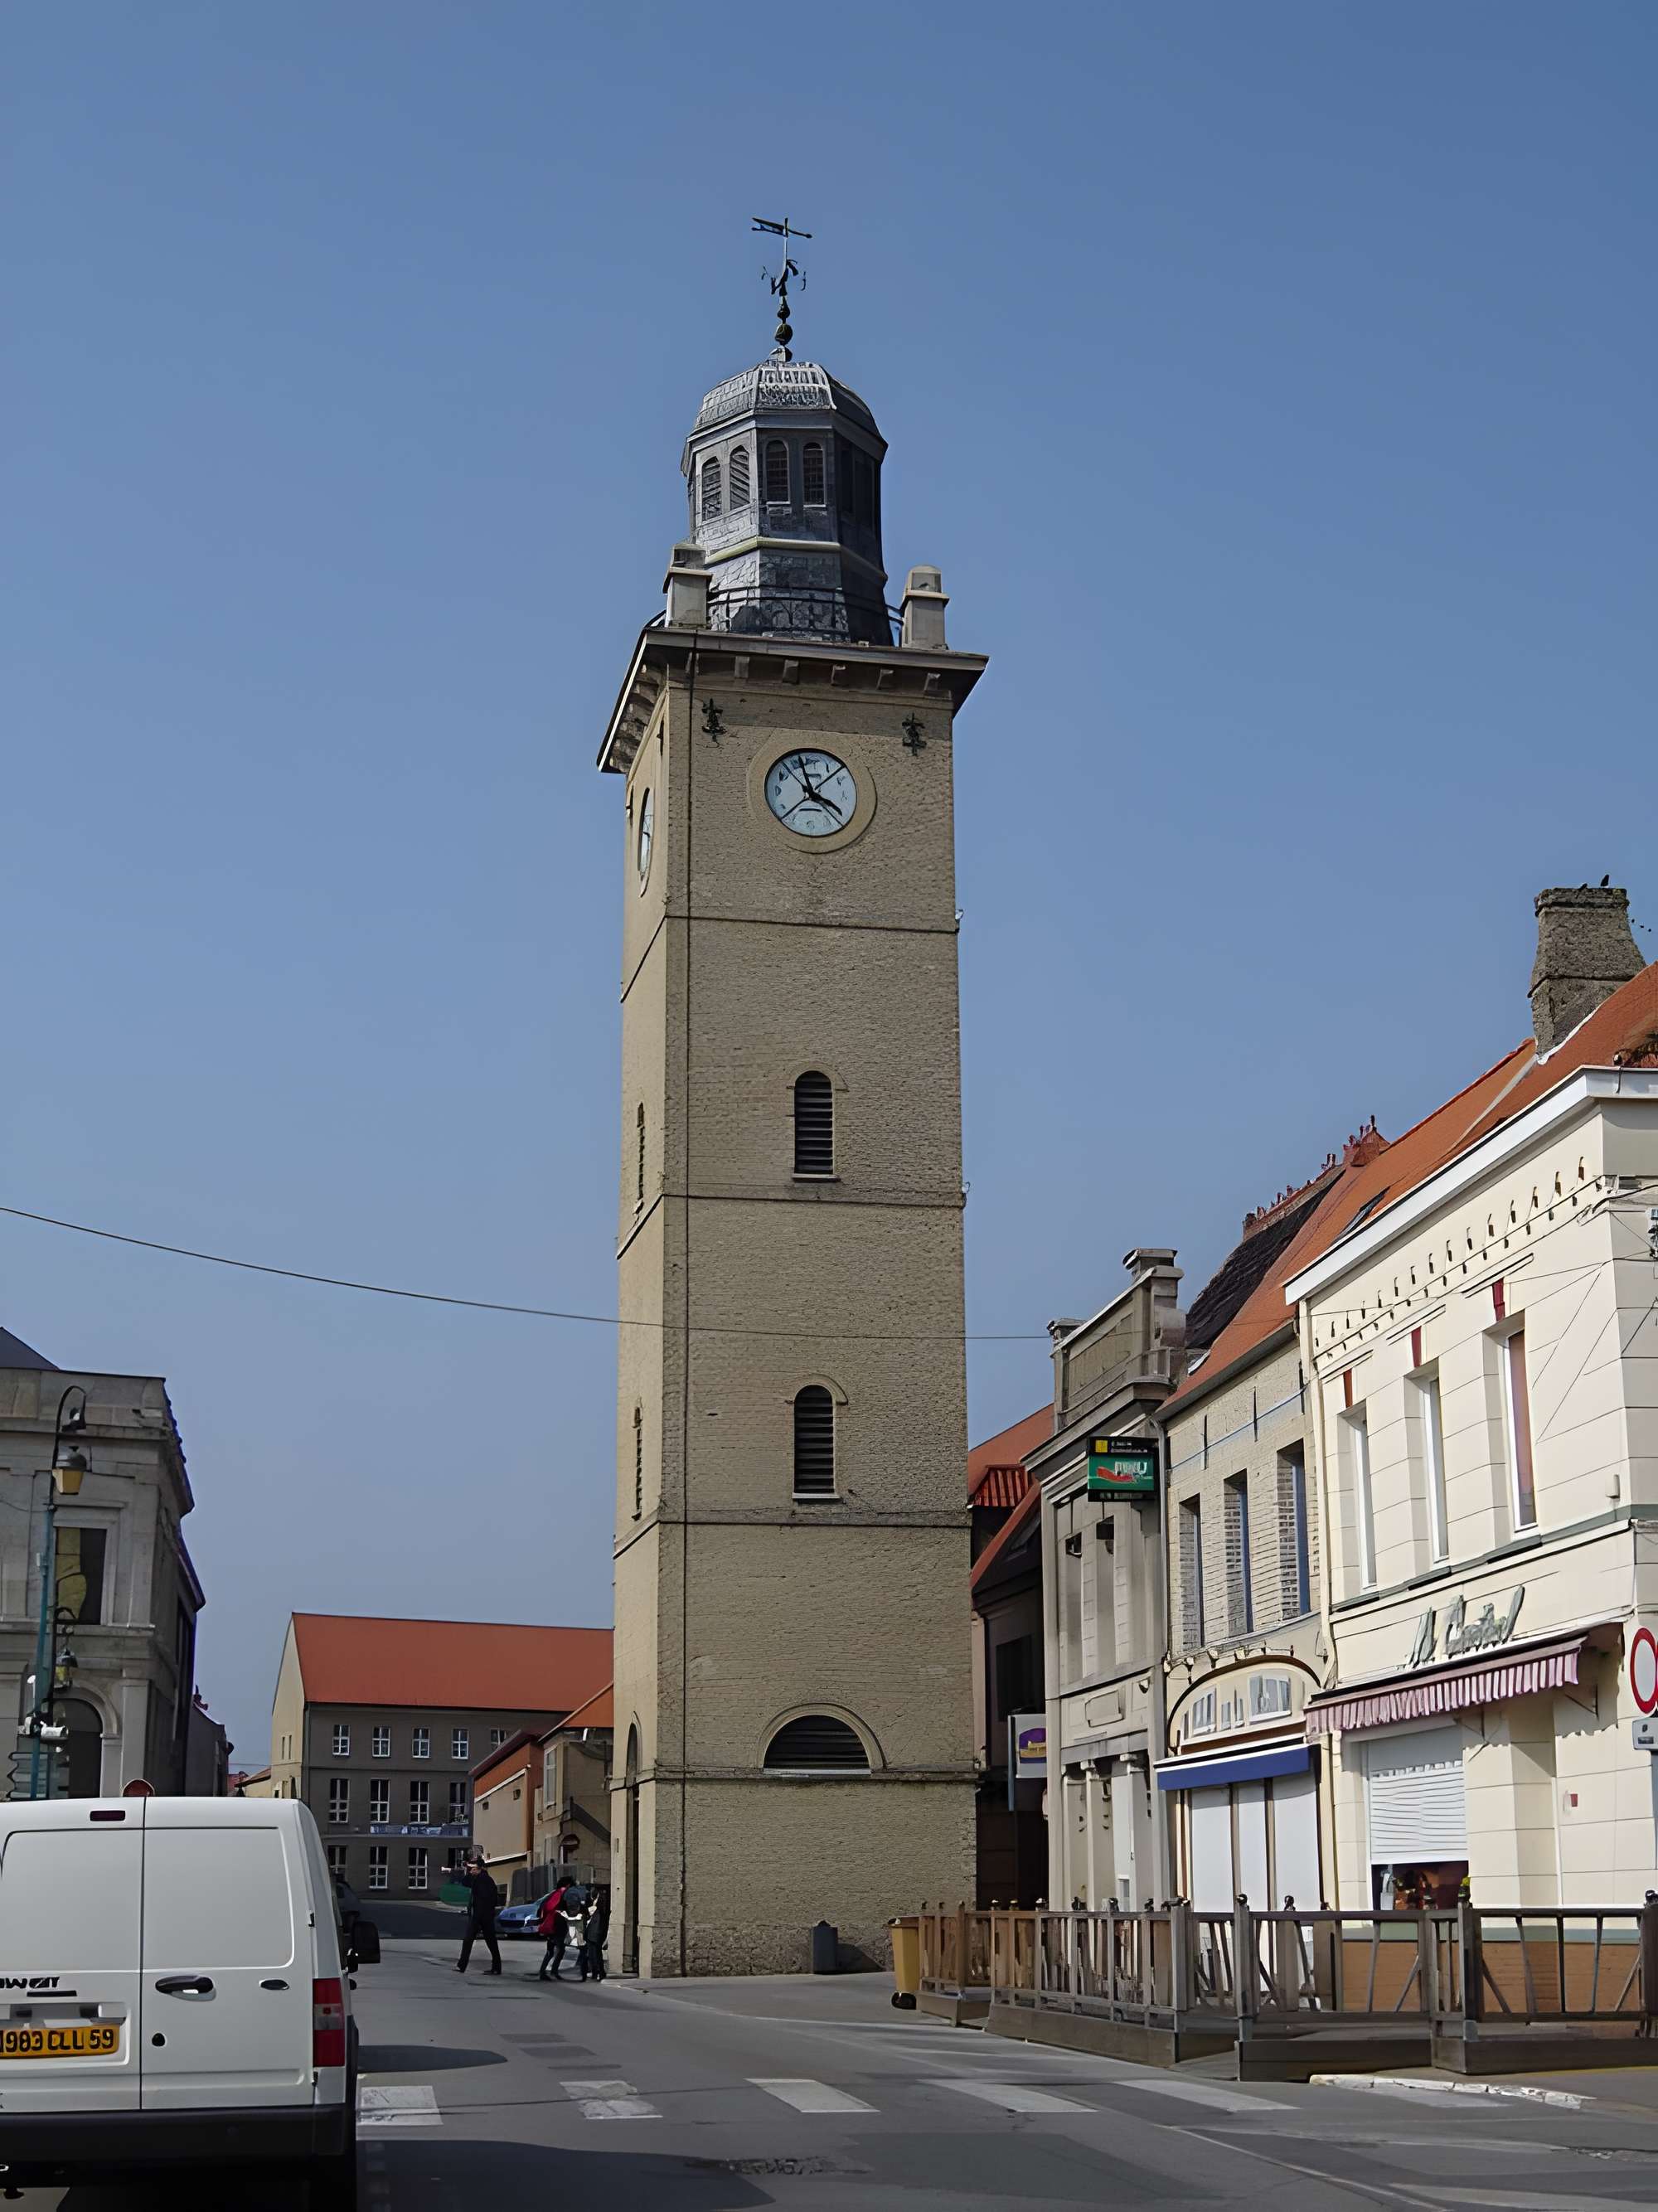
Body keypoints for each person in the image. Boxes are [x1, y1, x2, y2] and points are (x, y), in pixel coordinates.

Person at [455, 1855, 502, 1975]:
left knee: (469, 1940)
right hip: (485, 1916)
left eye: (474, 1869)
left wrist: (477, 1916)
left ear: (480, 1869)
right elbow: (465, 1882)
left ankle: (462, 1966)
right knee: (490, 1941)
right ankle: (496, 1968)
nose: (472, 1871)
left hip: (481, 1916)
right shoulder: (480, 1878)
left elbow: (484, 1900)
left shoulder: (484, 1880)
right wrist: (469, 1872)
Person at [535, 1881, 570, 1981]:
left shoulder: (553, 1894)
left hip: (551, 1926)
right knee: (559, 1950)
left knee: (551, 1951)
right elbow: (551, 1907)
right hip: (557, 1926)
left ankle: (544, 1971)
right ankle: (552, 1971)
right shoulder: (561, 1894)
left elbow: (545, 1908)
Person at [579, 1887, 609, 1982]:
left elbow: (598, 1917)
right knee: (593, 1953)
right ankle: (597, 1972)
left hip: (596, 1931)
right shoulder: (594, 1903)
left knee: (595, 1953)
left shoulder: (600, 1906)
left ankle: (599, 1972)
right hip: (592, 1931)